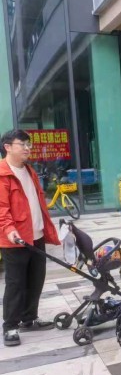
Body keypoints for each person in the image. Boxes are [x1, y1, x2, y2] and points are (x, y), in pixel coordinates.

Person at [0, 130, 60, 347]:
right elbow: (1, 208)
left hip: (36, 235)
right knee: (16, 283)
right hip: (15, 239)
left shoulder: (29, 170)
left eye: (29, 144)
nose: (27, 148)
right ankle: (10, 326)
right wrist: (9, 229)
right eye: (22, 144)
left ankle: (29, 318)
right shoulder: (2, 174)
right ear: (7, 147)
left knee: (36, 279)